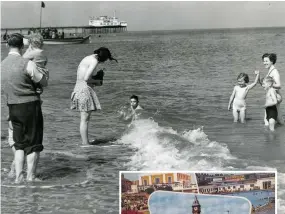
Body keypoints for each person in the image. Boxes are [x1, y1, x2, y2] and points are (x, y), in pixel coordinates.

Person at [1, 33, 49, 183]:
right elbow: (43, 82)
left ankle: (18, 177)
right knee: (34, 144)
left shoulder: (1, 65)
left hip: (12, 107)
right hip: (30, 106)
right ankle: (30, 176)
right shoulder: (26, 63)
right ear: (22, 46)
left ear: (7, 45)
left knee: (19, 144)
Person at [70, 47, 118, 145]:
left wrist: (95, 79)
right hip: (84, 90)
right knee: (85, 119)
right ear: (102, 58)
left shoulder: (88, 58)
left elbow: (84, 76)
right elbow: (86, 78)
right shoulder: (94, 61)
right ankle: (85, 144)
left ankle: (85, 142)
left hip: (78, 88)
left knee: (84, 118)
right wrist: (98, 81)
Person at [261, 53, 284, 125]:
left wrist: (269, 84)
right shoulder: (270, 70)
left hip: (275, 97)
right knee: (279, 120)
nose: (264, 63)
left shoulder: (274, 71)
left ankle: (270, 133)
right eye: (264, 61)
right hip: (273, 96)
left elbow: (279, 85)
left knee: (266, 119)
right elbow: (266, 84)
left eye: (266, 61)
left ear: (272, 61)